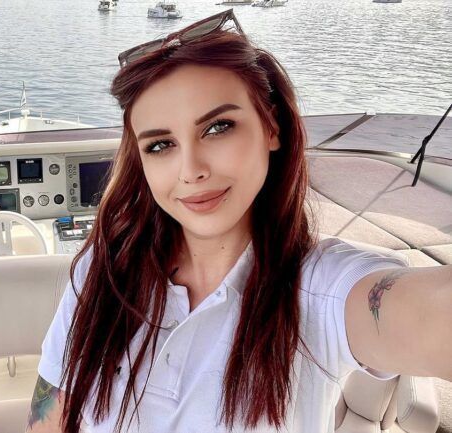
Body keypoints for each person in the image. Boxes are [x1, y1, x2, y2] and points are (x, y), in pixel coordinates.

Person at [25, 9, 452, 433]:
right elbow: (49, 421)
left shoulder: (321, 289)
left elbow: (429, 315)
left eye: (218, 127)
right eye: (160, 145)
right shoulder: (101, 270)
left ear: (271, 128)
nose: (191, 171)